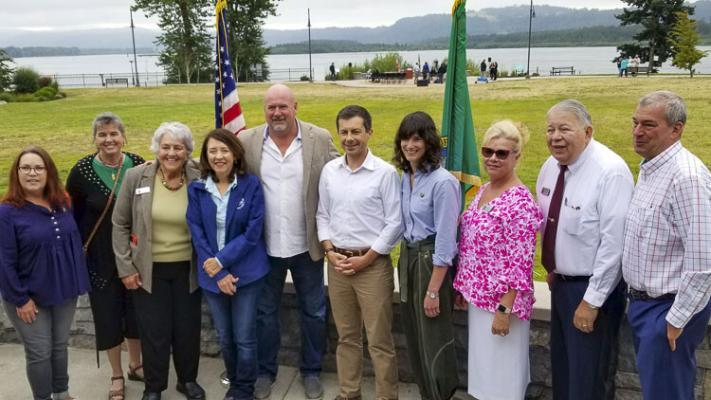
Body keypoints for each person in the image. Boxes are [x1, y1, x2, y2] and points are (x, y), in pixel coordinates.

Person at [239, 83, 339, 399]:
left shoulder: (318, 138)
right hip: (264, 247)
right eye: (271, 107)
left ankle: (311, 371)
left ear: (295, 106)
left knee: (315, 312)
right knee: (265, 313)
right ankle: (266, 372)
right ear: (264, 110)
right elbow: (217, 165)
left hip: (306, 245)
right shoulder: (247, 141)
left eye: (283, 106)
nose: (278, 112)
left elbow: (342, 171)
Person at [537, 99, 634, 400]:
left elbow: (613, 246)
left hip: (593, 292)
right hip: (561, 286)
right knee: (564, 373)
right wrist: (553, 269)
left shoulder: (611, 172)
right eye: (550, 129)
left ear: (588, 131)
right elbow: (547, 221)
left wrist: (591, 302)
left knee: (588, 379)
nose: (555, 137)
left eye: (564, 128)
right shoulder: (551, 167)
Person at [623, 91, 711, 400]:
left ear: (677, 129)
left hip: (667, 309)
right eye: (635, 123)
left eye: (648, 124)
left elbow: (704, 262)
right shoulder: (651, 170)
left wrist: (674, 321)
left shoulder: (686, 178)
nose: (637, 132)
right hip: (645, 306)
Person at [112, 122, 204, 400]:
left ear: (188, 151)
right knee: (154, 332)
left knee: (187, 329)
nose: (171, 153)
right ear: (156, 149)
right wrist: (125, 267)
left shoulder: (199, 176)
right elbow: (119, 224)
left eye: (178, 147)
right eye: (165, 147)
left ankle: (187, 380)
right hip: (147, 271)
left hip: (188, 269)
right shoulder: (135, 177)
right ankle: (154, 387)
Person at [317, 105, 402, 400]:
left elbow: (395, 222)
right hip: (338, 264)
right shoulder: (330, 171)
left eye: (356, 131)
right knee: (347, 337)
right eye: (344, 132)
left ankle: (386, 395)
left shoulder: (385, 173)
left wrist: (368, 258)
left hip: (372, 266)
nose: (349, 138)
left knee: (379, 339)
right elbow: (322, 215)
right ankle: (349, 392)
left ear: (369, 132)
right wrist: (328, 250)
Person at [454, 121, 542, 400]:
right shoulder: (485, 189)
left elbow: (521, 263)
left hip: (503, 304)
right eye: (488, 151)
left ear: (517, 156)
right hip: (479, 297)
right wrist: (463, 286)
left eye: (502, 153)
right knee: (484, 373)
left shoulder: (520, 202)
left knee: (502, 377)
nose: (493, 158)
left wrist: (504, 310)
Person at [0, 146, 91, 400]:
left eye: (38, 167)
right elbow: (4, 260)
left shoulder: (61, 203)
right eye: (25, 168)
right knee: (40, 351)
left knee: (60, 346)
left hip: (63, 289)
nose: (32, 173)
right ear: (16, 173)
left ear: (48, 171)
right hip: (28, 296)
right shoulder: (7, 212)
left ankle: (62, 393)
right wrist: (20, 298)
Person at [66, 112, 145, 400]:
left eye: (114, 133)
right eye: (102, 134)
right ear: (94, 139)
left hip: (135, 256)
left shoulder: (139, 164)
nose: (109, 139)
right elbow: (72, 218)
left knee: (135, 315)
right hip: (99, 259)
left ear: (124, 136)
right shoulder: (82, 171)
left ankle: (136, 364)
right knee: (108, 317)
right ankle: (116, 374)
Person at [186, 129, 270, 400]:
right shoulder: (197, 189)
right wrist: (218, 270)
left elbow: (252, 232)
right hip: (212, 277)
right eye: (213, 151)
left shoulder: (251, 185)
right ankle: (235, 381)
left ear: (235, 154)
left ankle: (244, 389)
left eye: (225, 150)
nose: (219, 156)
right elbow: (196, 231)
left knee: (245, 337)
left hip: (247, 274)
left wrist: (221, 261)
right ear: (205, 156)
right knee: (225, 337)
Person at [394, 111, 460, 400]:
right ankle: (426, 394)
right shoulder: (406, 176)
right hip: (407, 258)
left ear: (429, 142)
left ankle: (441, 394)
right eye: (405, 138)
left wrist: (434, 290)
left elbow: (446, 242)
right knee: (414, 336)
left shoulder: (442, 182)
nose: (410, 145)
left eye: (417, 139)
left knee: (433, 338)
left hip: (430, 263)